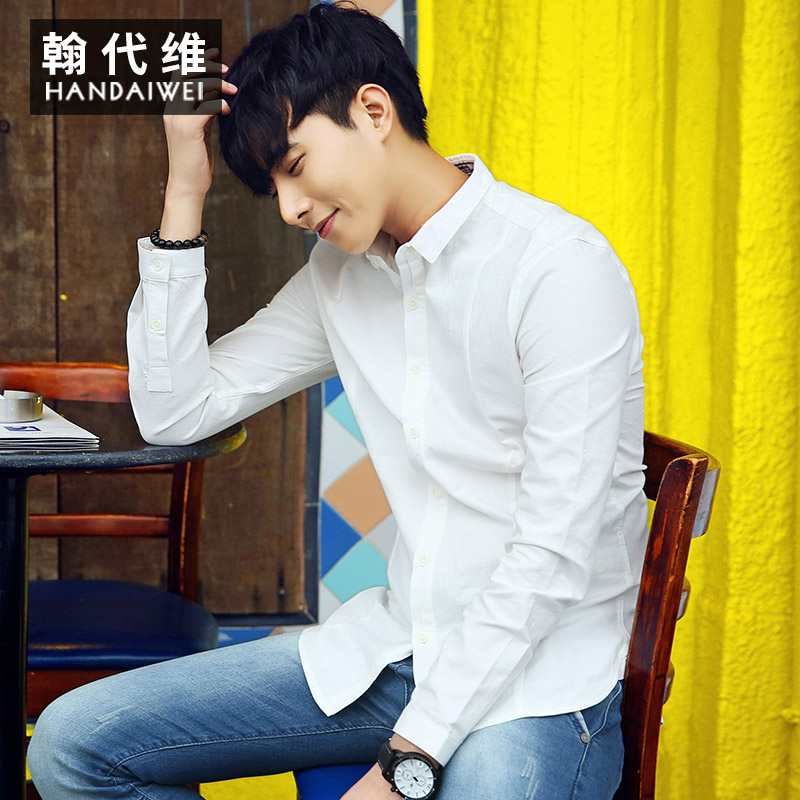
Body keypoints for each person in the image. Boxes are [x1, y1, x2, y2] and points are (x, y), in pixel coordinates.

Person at [28, 3, 649, 798]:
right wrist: (185, 183)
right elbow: (176, 413)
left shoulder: (557, 268)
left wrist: (406, 762)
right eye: (275, 188)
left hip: (539, 680)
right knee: (74, 747)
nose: (290, 208)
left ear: (374, 111)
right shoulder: (342, 276)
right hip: (399, 648)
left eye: (295, 165)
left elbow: (553, 553)